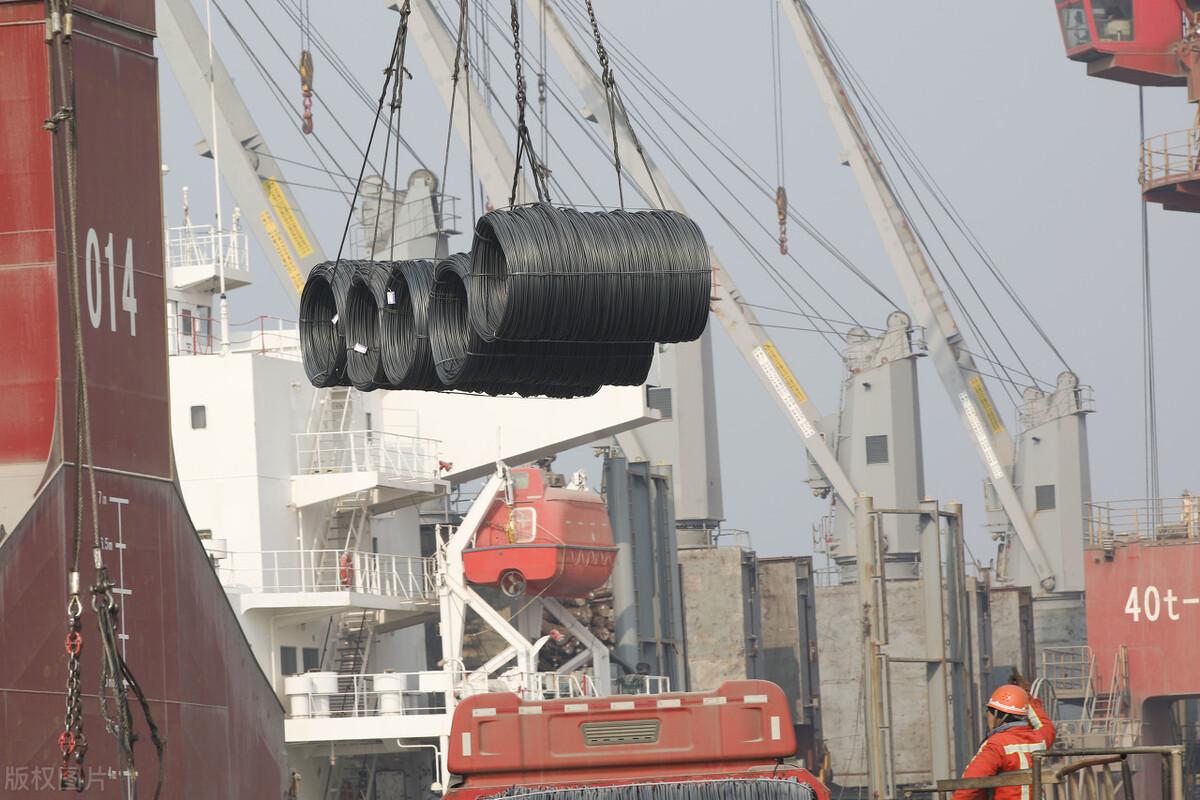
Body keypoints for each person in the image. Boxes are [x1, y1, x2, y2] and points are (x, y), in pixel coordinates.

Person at [952, 673, 1055, 800]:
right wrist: (1025, 696)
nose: (987, 716)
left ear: (997, 715)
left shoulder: (996, 745)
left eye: (989, 711)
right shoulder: (1039, 740)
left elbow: (969, 785)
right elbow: (1046, 726)